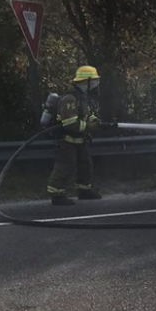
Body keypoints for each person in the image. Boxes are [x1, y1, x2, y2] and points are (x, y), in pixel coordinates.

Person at [46, 66, 104, 206]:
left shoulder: (82, 97)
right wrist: (89, 126)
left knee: (86, 164)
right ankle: (57, 195)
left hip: (79, 139)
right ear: (86, 81)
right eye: (94, 80)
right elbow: (70, 124)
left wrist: (95, 121)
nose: (96, 83)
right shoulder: (70, 98)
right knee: (65, 166)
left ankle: (84, 191)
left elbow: (85, 115)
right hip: (66, 140)